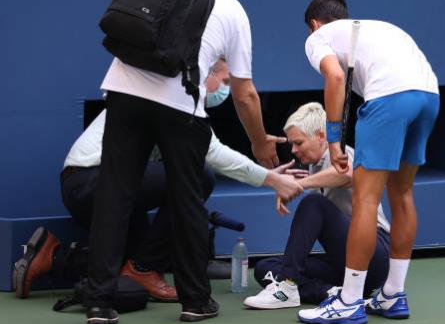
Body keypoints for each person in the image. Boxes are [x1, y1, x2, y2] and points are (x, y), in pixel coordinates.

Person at [85, 0, 286, 324]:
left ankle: (98, 303)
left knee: (114, 196)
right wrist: (260, 142)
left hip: (124, 93)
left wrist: (141, 39)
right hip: (180, 105)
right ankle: (195, 301)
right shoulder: (233, 9)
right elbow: (244, 95)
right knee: (187, 202)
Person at [13, 60, 302, 303]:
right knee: (199, 175)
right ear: (209, 74)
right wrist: (270, 179)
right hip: (91, 180)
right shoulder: (179, 99)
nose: (225, 89)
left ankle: (52, 256)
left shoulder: (176, 97)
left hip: (98, 186)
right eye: (225, 79)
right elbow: (213, 154)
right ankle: (142, 268)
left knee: (134, 258)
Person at [296, 0, 439, 324]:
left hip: (390, 98)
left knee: (365, 197)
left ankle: (349, 301)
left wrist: (334, 140)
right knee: (402, 195)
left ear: (315, 24)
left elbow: (334, 77)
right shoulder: (380, 29)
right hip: (428, 96)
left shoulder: (318, 37)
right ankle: (393, 294)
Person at [243, 102, 390, 310]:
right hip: (345, 264)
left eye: (298, 143)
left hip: (375, 256)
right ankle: (330, 292)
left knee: (314, 203)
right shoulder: (316, 165)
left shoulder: (339, 154)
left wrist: (297, 185)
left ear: (321, 136)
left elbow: (347, 174)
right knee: (265, 267)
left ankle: (287, 288)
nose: (293, 150)